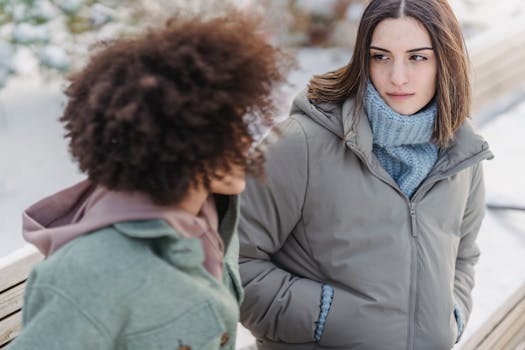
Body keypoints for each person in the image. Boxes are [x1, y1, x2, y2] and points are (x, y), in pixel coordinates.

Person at [9, 12, 286, 350]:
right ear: (179, 143)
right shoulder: (85, 275)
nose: (247, 141)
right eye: (229, 129)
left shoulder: (208, 219)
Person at [238, 0, 493, 349]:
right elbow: (234, 262)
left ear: (445, 61)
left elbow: (463, 254)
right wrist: (326, 315)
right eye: (381, 56)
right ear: (363, 59)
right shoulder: (301, 145)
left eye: (417, 57)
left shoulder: (461, 150)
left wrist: (453, 316)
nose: (397, 77)